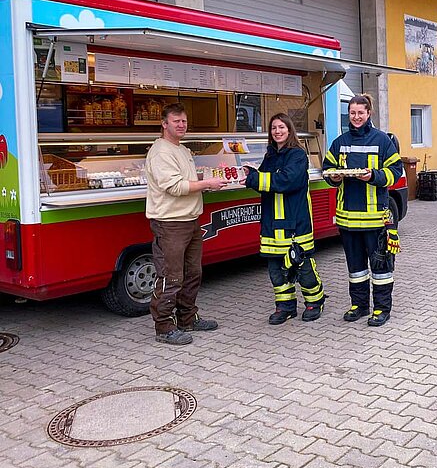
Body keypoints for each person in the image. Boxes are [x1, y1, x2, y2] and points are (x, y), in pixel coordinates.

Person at [145, 103, 226, 345]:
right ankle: (164, 327)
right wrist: (207, 184)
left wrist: (212, 178)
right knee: (171, 276)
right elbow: (175, 187)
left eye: (184, 121)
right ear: (164, 123)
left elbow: (187, 181)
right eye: (176, 121)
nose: (181, 125)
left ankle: (187, 318)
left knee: (193, 273)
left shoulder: (181, 149)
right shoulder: (161, 152)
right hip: (170, 223)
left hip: (190, 219)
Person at [323, 94, 402, 327]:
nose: (356, 117)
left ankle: (381, 308)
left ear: (369, 114)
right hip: (348, 219)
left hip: (376, 219)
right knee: (355, 268)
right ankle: (359, 305)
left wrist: (373, 176)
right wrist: (334, 177)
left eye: (360, 112)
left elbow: (395, 173)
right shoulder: (340, 141)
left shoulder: (382, 141)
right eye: (353, 113)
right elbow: (328, 169)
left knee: (380, 268)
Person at [243, 113, 325, 324]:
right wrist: (248, 174)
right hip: (272, 223)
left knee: (302, 265)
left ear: (289, 130)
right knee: (275, 270)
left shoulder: (297, 155)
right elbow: (264, 180)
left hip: (295, 222)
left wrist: (254, 178)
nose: (277, 131)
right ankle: (285, 307)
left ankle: (315, 301)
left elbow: (285, 181)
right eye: (273, 128)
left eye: (281, 127)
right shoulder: (270, 155)